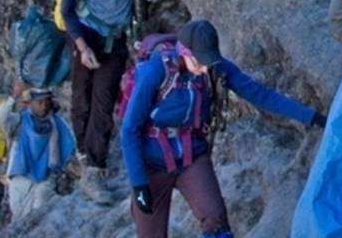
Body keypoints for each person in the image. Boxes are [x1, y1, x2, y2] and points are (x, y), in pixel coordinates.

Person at [121, 19, 325, 238]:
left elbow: (260, 94)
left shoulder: (215, 68)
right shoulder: (155, 71)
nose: (204, 68)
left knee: (217, 222)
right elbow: (130, 129)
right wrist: (139, 183)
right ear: (184, 52)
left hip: (192, 158)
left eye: (208, 61)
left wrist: (311, 116)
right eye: (199, 62)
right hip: (152, 164)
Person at [59, 0, 184, 191]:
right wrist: (81, 45)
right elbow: (67, 10)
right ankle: (82, 149)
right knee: (82, 97)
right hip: (85, 33)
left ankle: (95, 166)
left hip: (114, 38)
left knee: (104, 100)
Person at [0, 87, 76, 220]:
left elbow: (70, 145)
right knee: (19, 218)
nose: (44, 107)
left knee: (39, 214)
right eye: (40, 103)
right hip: (21, 176)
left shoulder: (57, 124)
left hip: (45, 178)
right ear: (31, 103)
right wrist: (13, 98)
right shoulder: (19, 121)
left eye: (46, 103)